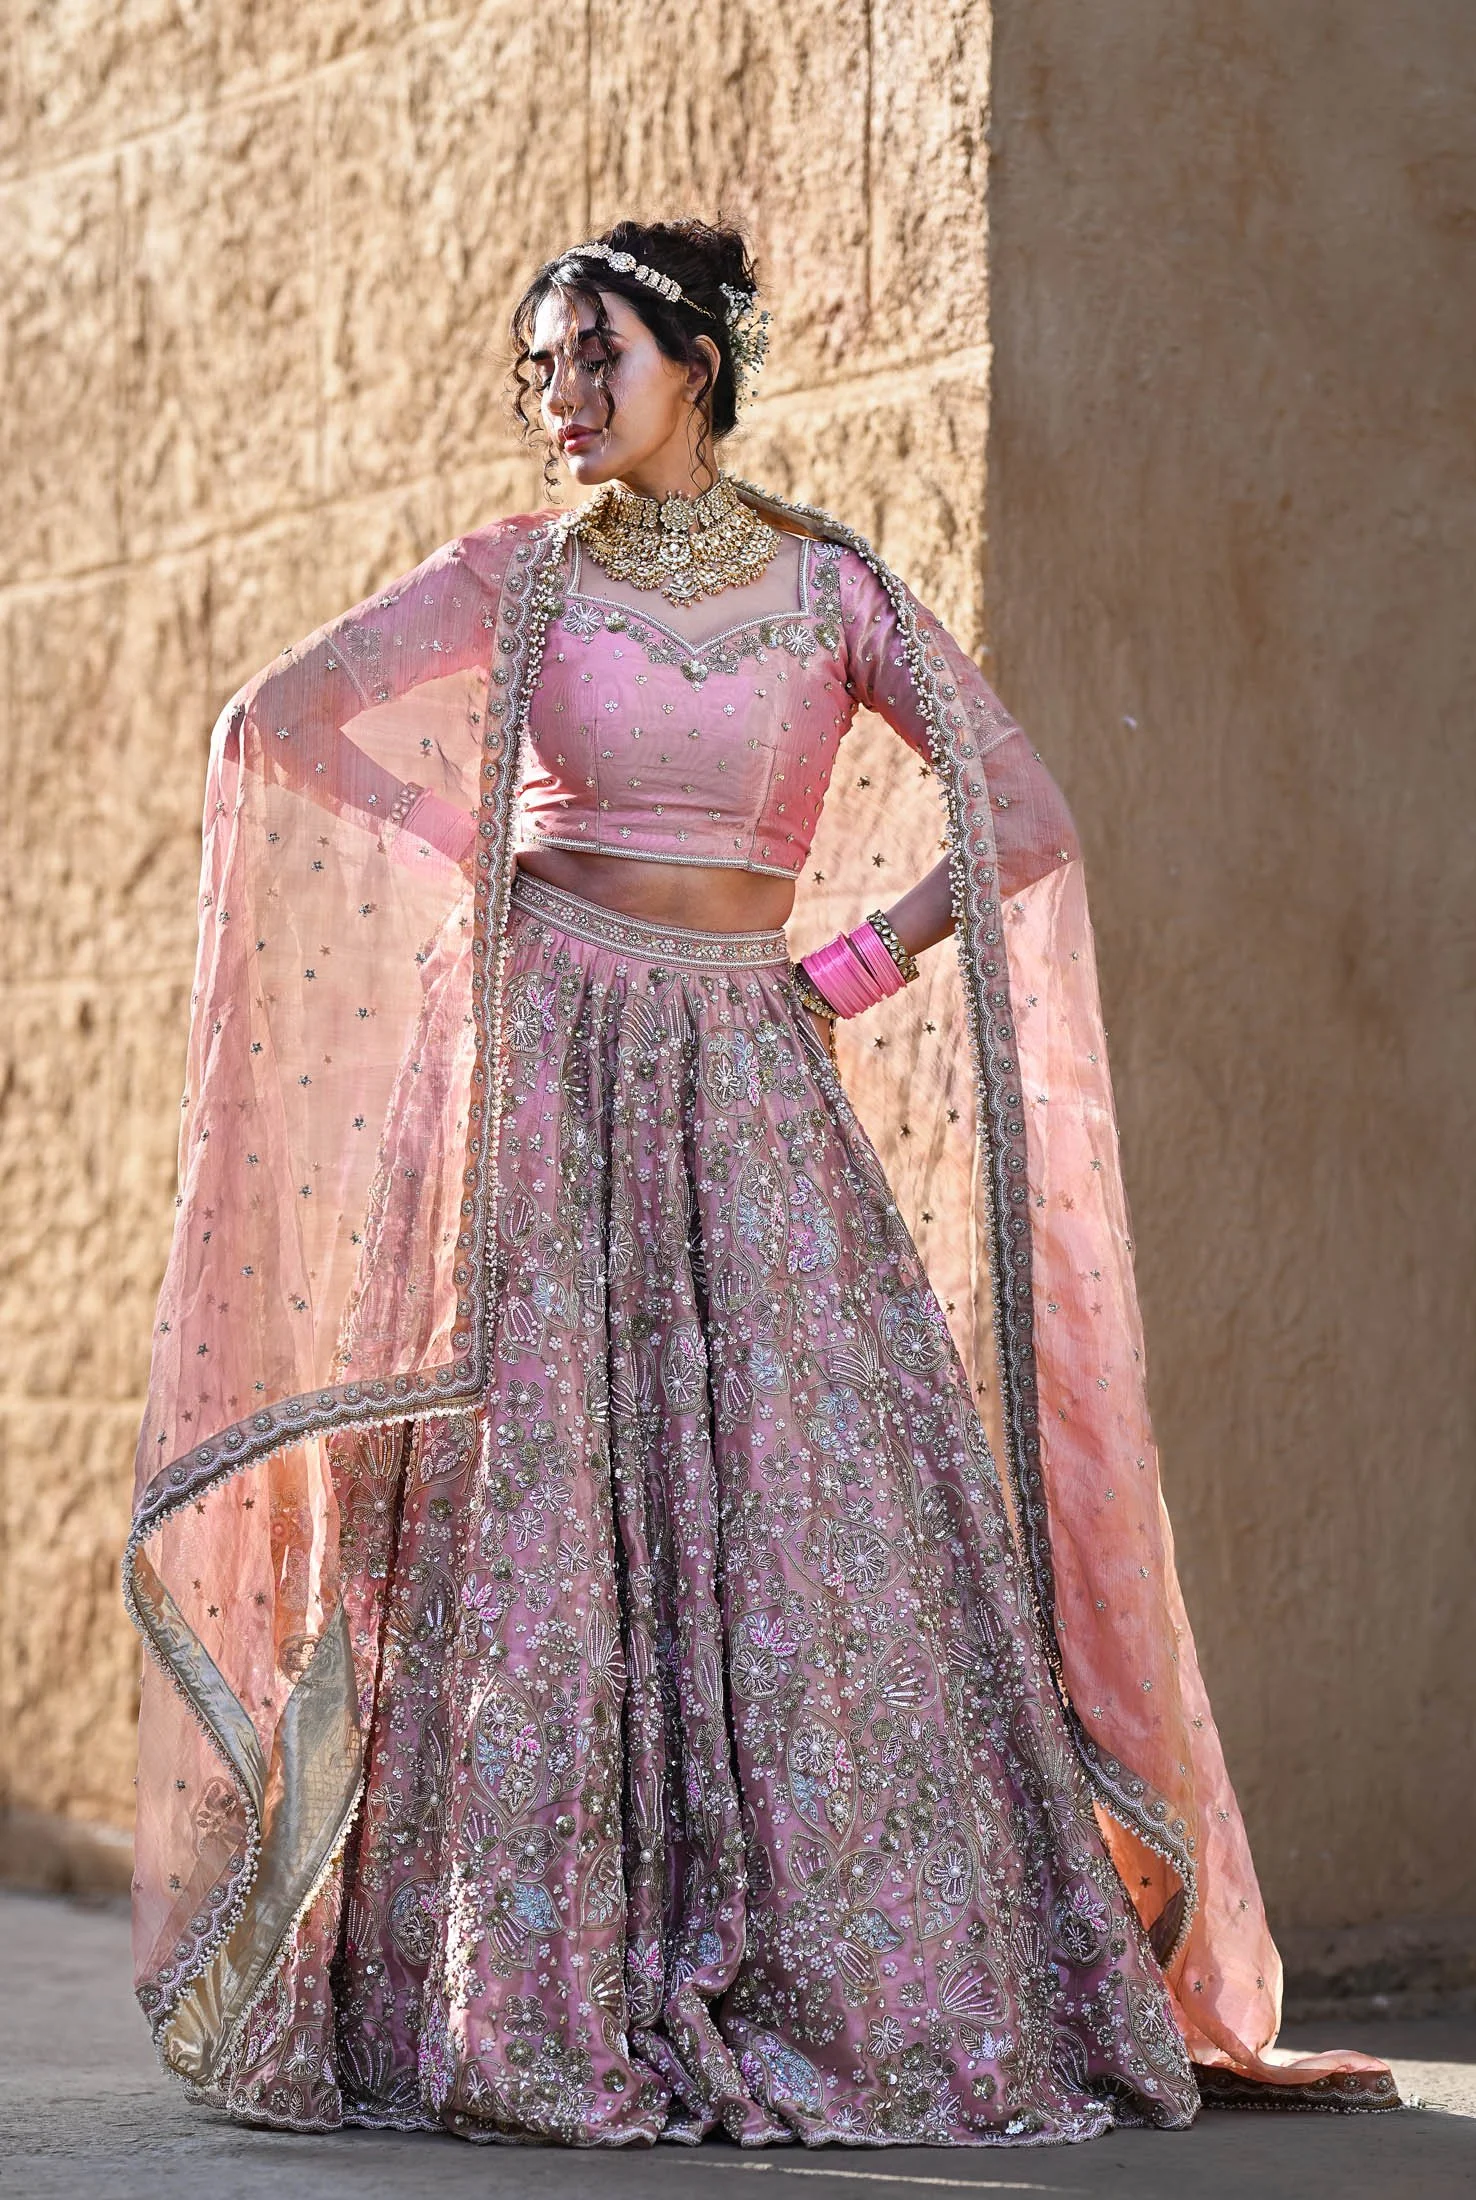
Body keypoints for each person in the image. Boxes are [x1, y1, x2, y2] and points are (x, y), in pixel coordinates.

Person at [124, 217, 1395, 2145]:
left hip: (746, 1064)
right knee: (536, 1511)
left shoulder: (834, 591)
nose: (557, 399)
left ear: (695, 359)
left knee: (807, 1498)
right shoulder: (521, 577)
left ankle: (836, 1961)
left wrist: (854, 963)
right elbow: (275, 722)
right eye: (538, 368)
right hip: (544, 1071)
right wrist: (464, 839)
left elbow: (1021, 817)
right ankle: (524, 1976)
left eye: (591, 358)